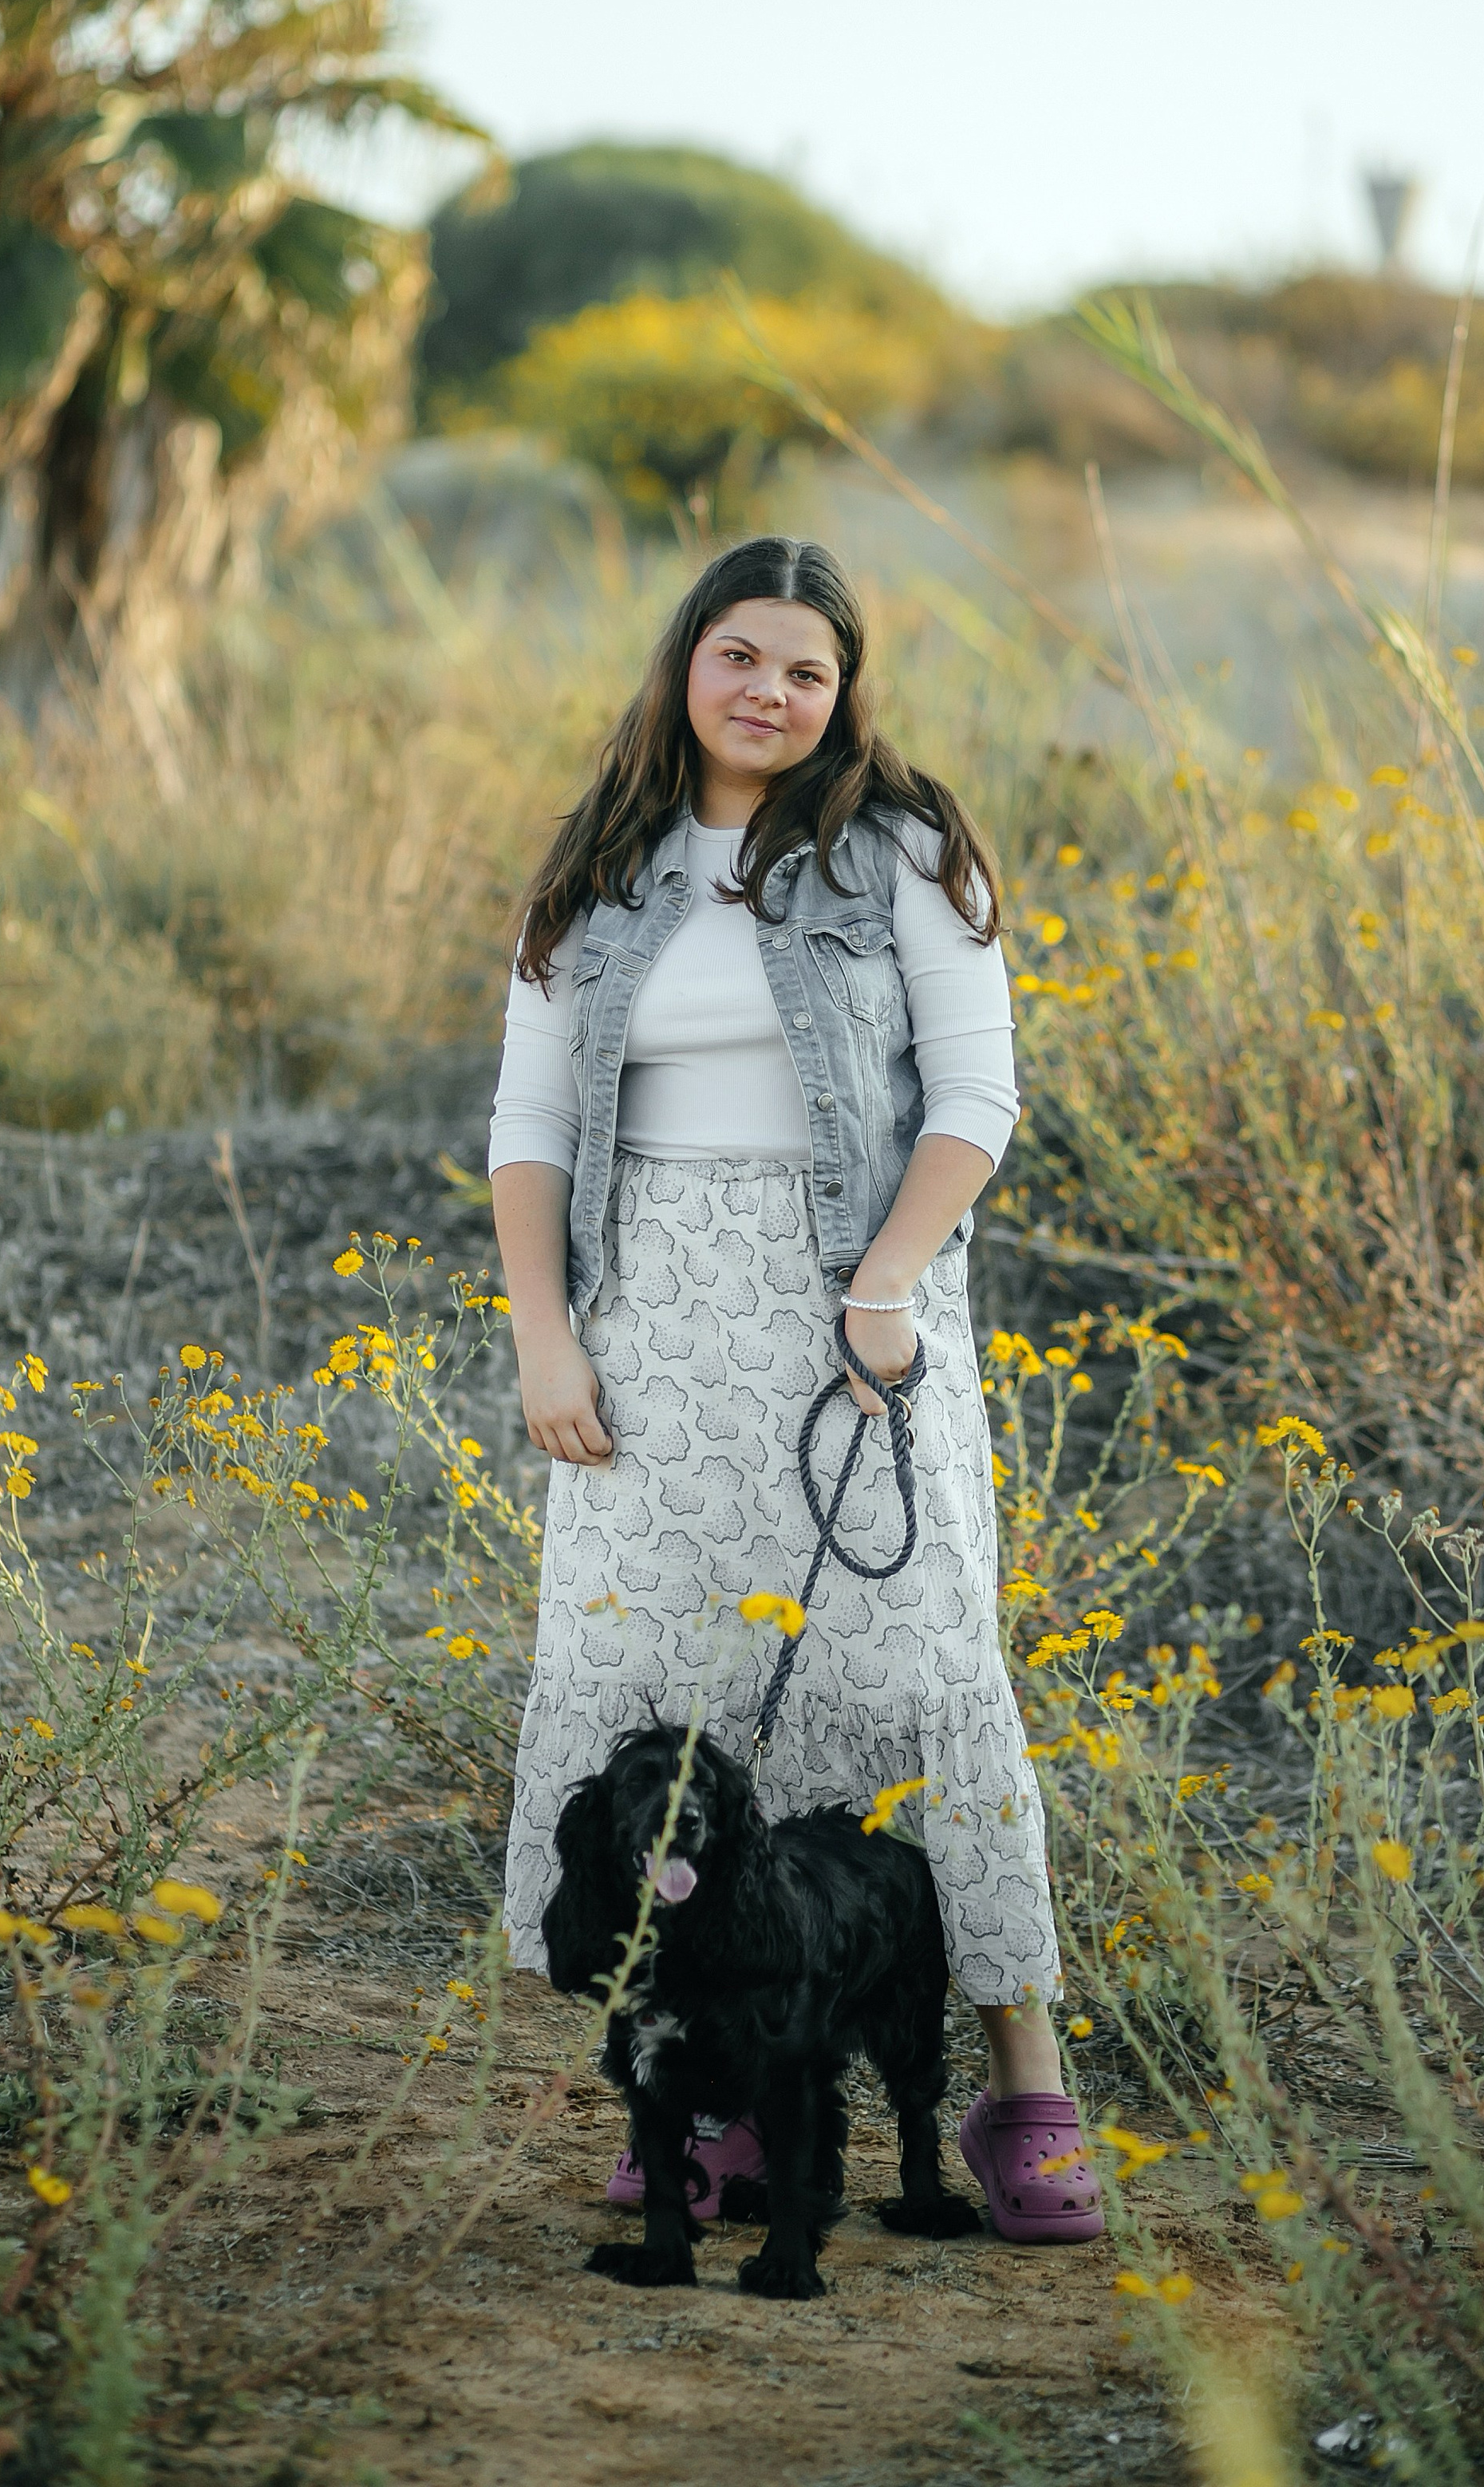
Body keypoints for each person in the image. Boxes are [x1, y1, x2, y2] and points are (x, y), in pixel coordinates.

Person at [488, 532, 1102, 2242]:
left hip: (853, 1315)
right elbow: (529, 1127)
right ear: (686, 659)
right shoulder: (595, 868)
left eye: (805, 670)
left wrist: (882, 1285)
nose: (768, 691)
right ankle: (707, 2100)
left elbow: (975, 1097)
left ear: (843, 694)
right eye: (739, 654)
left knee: (914, 1683)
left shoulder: (901, 849)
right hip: (646, 1340)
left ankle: (1016, 2092)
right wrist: (546, 1336)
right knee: (669, 1696)